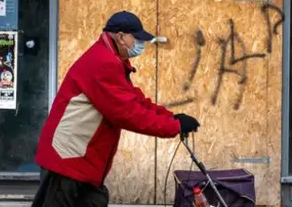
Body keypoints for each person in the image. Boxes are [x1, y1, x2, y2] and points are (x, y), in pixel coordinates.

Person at [31, 11, 201, 207]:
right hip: (69, 159)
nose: (140, 44)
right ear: (121, 37)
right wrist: (173, 127)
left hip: (80, 160)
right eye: (136, 38)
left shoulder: (111, 59)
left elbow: (136, 100)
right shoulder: (103, 62)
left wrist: (172, 117)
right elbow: (128, 114)